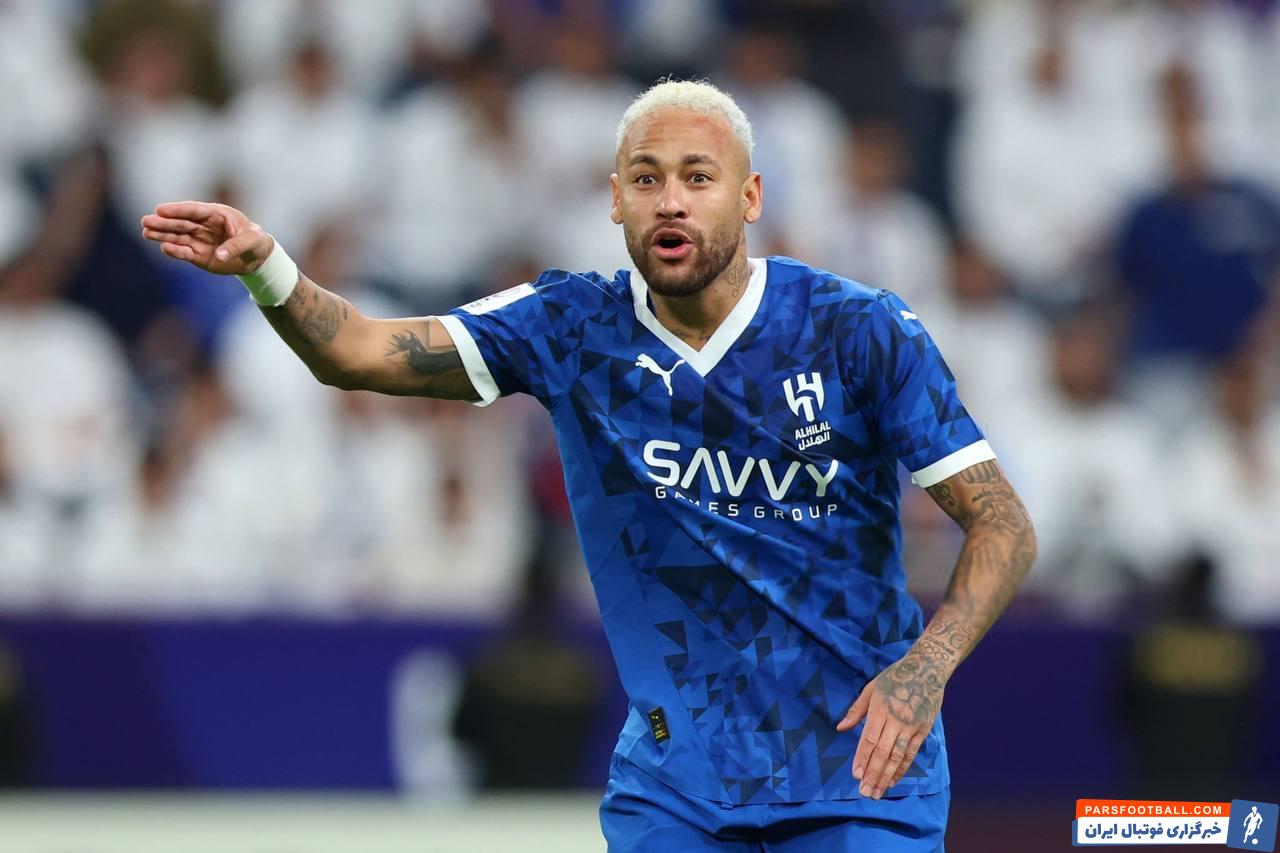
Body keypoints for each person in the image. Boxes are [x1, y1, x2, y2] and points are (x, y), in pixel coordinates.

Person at [141, 80, 1037, 852]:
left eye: (698, 177)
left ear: (750, 196)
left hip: (861, 774)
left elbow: (1004, 523)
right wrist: (266, 267)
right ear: (615, 200)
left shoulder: (856, 329)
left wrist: (925, 669)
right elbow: (360, 352)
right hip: (677, 792)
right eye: (646, 179)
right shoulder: (570, 329)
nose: (671, 201)